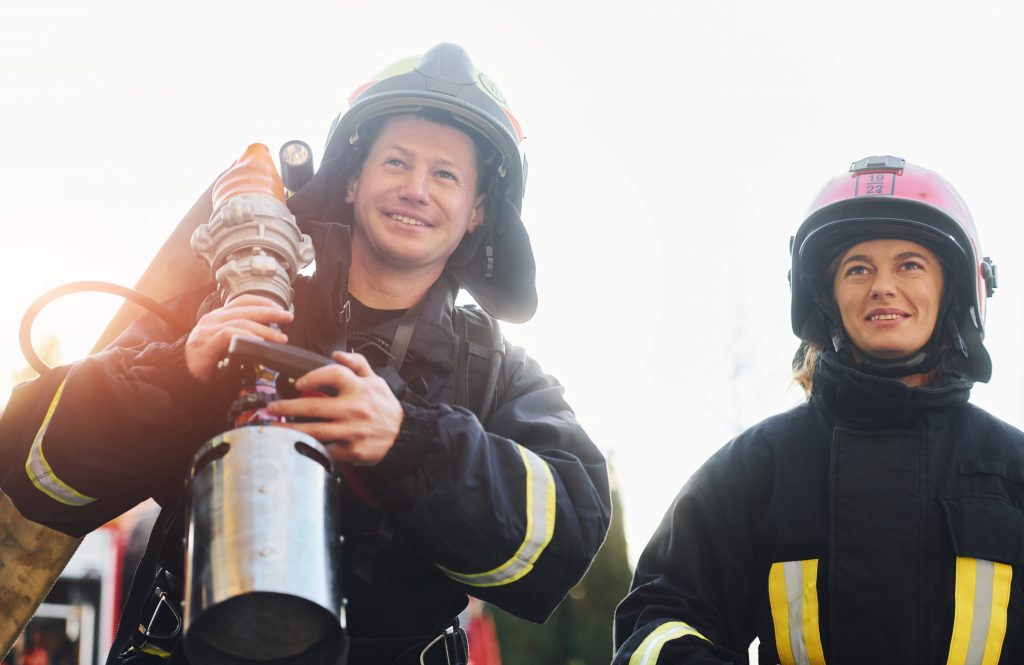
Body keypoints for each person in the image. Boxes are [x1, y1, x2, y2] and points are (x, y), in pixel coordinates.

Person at [0, 43, 611, 665]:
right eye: (395, 161)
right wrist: (176, 376)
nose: (416, 189)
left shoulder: (495, 376)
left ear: (478, 213)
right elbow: (31, 470)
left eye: (446, 174)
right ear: (351, 181)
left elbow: (567, 541)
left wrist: (412, 443)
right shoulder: (225, 310)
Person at [612, 155, 1021, 664]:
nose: (882, 286)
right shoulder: (755, 469)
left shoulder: (1013, 470)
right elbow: (655, 622)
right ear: (825, 300)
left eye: (910, 264)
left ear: (957, 289)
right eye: (857, 269)